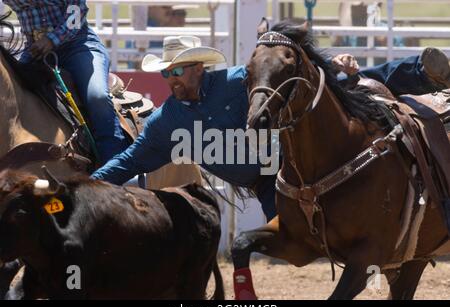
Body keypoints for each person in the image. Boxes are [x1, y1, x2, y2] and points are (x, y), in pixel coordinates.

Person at [92, 32, 450, 221]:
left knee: (344, 86)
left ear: (199, 67)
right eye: (166, 72)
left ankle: (420, 72)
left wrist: (337, 67)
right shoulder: (168, 121)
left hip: (295, 159)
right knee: (288, 229)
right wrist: (89, 184)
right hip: (270, 181)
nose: (170, 78)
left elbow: (295, 78)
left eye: (177, 70)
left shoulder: (237, 81)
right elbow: (131, 160)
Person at [4, 0, 129, 165]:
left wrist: (51, 40)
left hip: (78, 46)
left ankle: (114, 162)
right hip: (36, 50)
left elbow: (77, 12)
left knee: (97, 96)